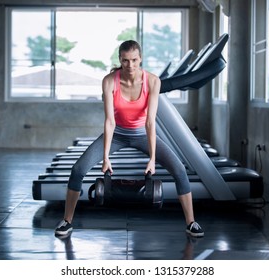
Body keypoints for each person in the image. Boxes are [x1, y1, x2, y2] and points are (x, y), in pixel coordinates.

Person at [55, 40, 204, 238]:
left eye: (134, 60)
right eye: (125, 61)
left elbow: (150, 122)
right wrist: (106, 157)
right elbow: (109, 121)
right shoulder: (109, 81)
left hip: (142, 134)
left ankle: (191, 223)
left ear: (140, 59)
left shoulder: (152, 81)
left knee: (179, 170)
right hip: (117, 135)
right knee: (78, 169)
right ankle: (67, 221)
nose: (130, 65)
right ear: (120, 60)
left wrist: (152, 158)